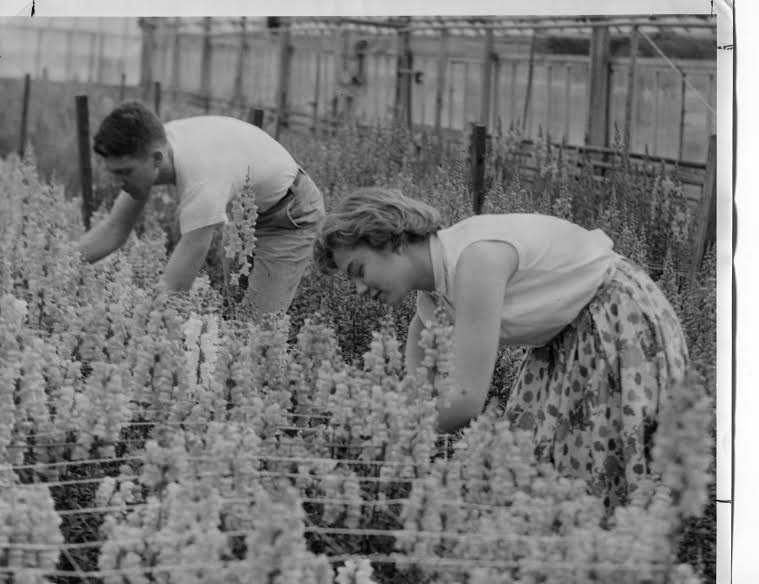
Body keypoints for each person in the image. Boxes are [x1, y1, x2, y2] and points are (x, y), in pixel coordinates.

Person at [313, 187, 689, 510]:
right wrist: (386, 430)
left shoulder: (475, 260)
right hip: (565, 338)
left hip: (616, 321)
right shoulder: (433, 299)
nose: (359, 291)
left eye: (358, 271)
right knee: (538, 471)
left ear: (392, 241)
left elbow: (464, 401)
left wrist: (387, 439)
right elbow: (417, 393)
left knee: (603, 475)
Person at [77, 101, 325, 317]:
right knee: (236, 320)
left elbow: (174, 288)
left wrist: (139, 327)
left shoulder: (202, 179)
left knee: (257, 334)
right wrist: (52, 266)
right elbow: (114, 229)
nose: (117, 183)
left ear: (155, 160)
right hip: (246, 214)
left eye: (125, 173)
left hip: (290, 215)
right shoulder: (159, 144)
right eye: (114, 173)